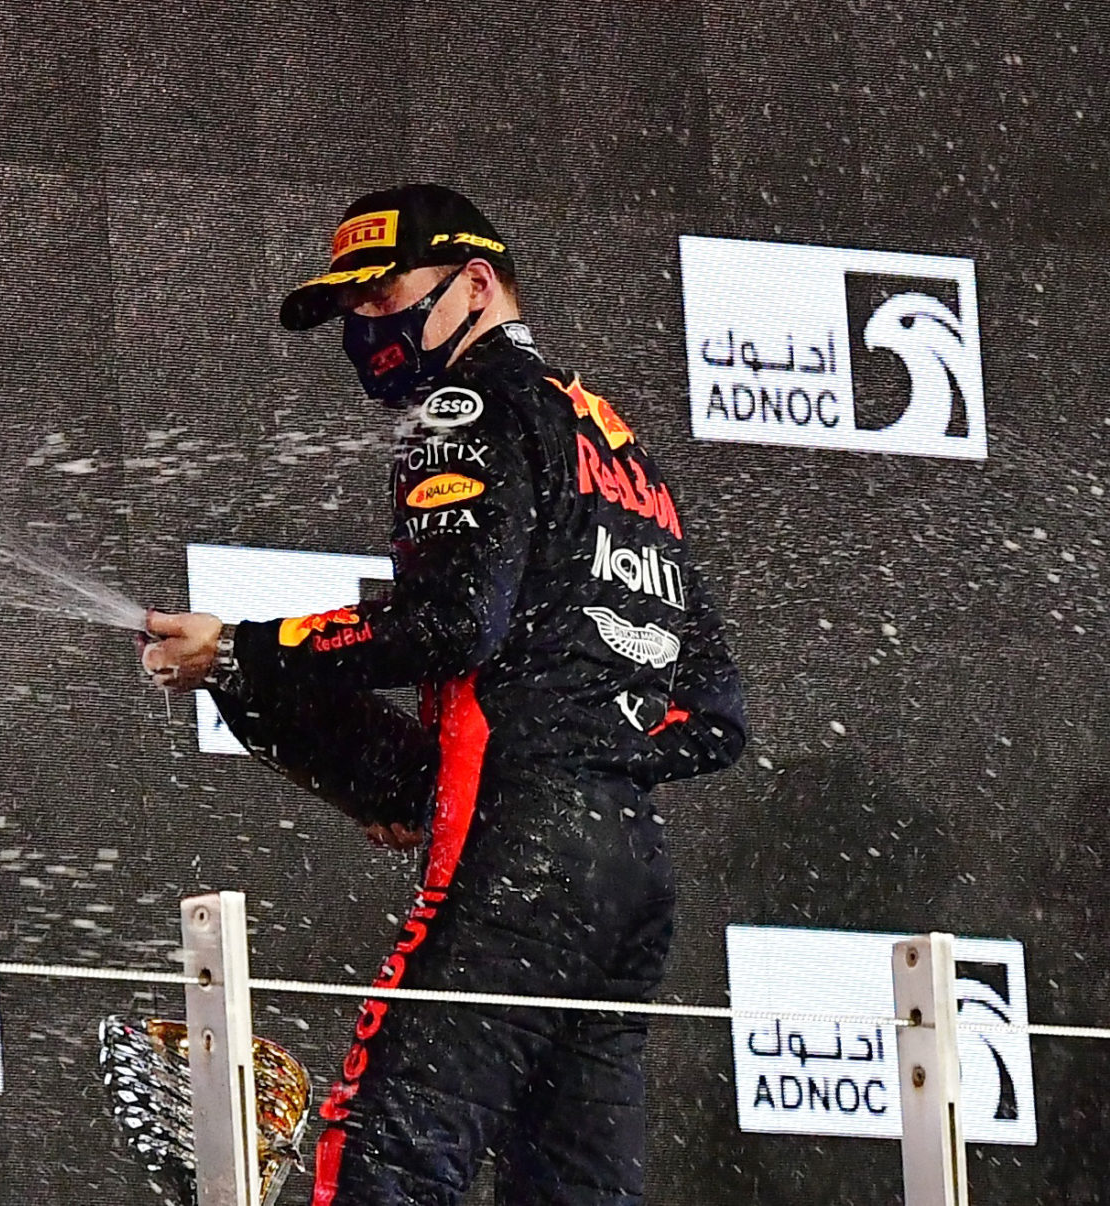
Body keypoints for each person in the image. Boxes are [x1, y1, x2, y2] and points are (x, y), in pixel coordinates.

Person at [139, 183, 746, 1206]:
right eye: (350, 313)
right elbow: (716, 714)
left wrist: (242, 643)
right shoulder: (613, 441)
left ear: (476, 283)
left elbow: (452, 626)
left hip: (519, 850)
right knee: (574, 1191)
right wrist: (583, 756)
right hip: (630, 875)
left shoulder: (464, 407)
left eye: (383, 299)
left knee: (385, 1153)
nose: (366, 332)